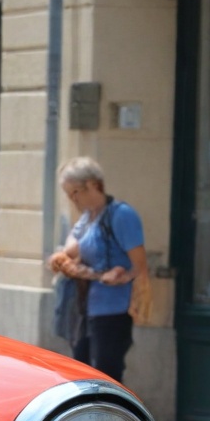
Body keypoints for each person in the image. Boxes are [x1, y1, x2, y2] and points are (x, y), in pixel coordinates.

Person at [47, 157, 150, 383]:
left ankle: (111, 418)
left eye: (75, 192)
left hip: (112, 310)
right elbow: (69, 250)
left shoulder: (121, 215)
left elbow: (140, 265)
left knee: (106, 377)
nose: (72, 199)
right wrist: (67, 261)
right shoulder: (87, 218)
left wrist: (122, 275)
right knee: (82, 376)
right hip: (83, 309)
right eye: (68, 194)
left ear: (93, 185)